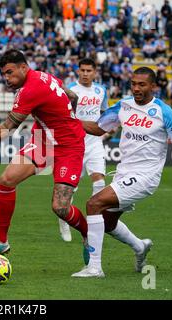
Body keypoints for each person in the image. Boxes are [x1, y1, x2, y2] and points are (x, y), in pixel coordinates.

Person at [72, 67, 172, 278]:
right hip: (123, 173)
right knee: (108, 224)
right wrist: (70, 120)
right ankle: (139, 246)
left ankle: (95, 267)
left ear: (153, 86)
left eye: (142, 84)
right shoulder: (124, 105)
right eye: (134, 84)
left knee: (94, 204)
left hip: (146, 177)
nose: (136, 88)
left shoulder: (166, 113)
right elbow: (99, 128)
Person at [0, 49, 88, 262]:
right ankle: (2, 241)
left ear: (23, 67)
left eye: (10, 73)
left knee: (60, 208)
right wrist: (60, 119)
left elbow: (9, 127)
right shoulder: (44, 75)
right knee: (7, 180)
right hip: (44, 141)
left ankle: (87, 236)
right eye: (4, 74)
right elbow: (72, 96)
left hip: (69, 146)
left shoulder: (30, 89)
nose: (7, 79)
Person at [58, 58, 109, 242]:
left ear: (95, 72)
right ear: (78, 71)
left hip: (95, 142)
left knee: (99, 180)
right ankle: (63, 219)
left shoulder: (101, 90)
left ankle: (95, 220)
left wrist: (107, 127)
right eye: (83, 70)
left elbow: (105, 112)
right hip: (75, 144)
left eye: (89, 70)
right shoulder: (71, 90)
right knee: (69, 189)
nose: (86, 73)